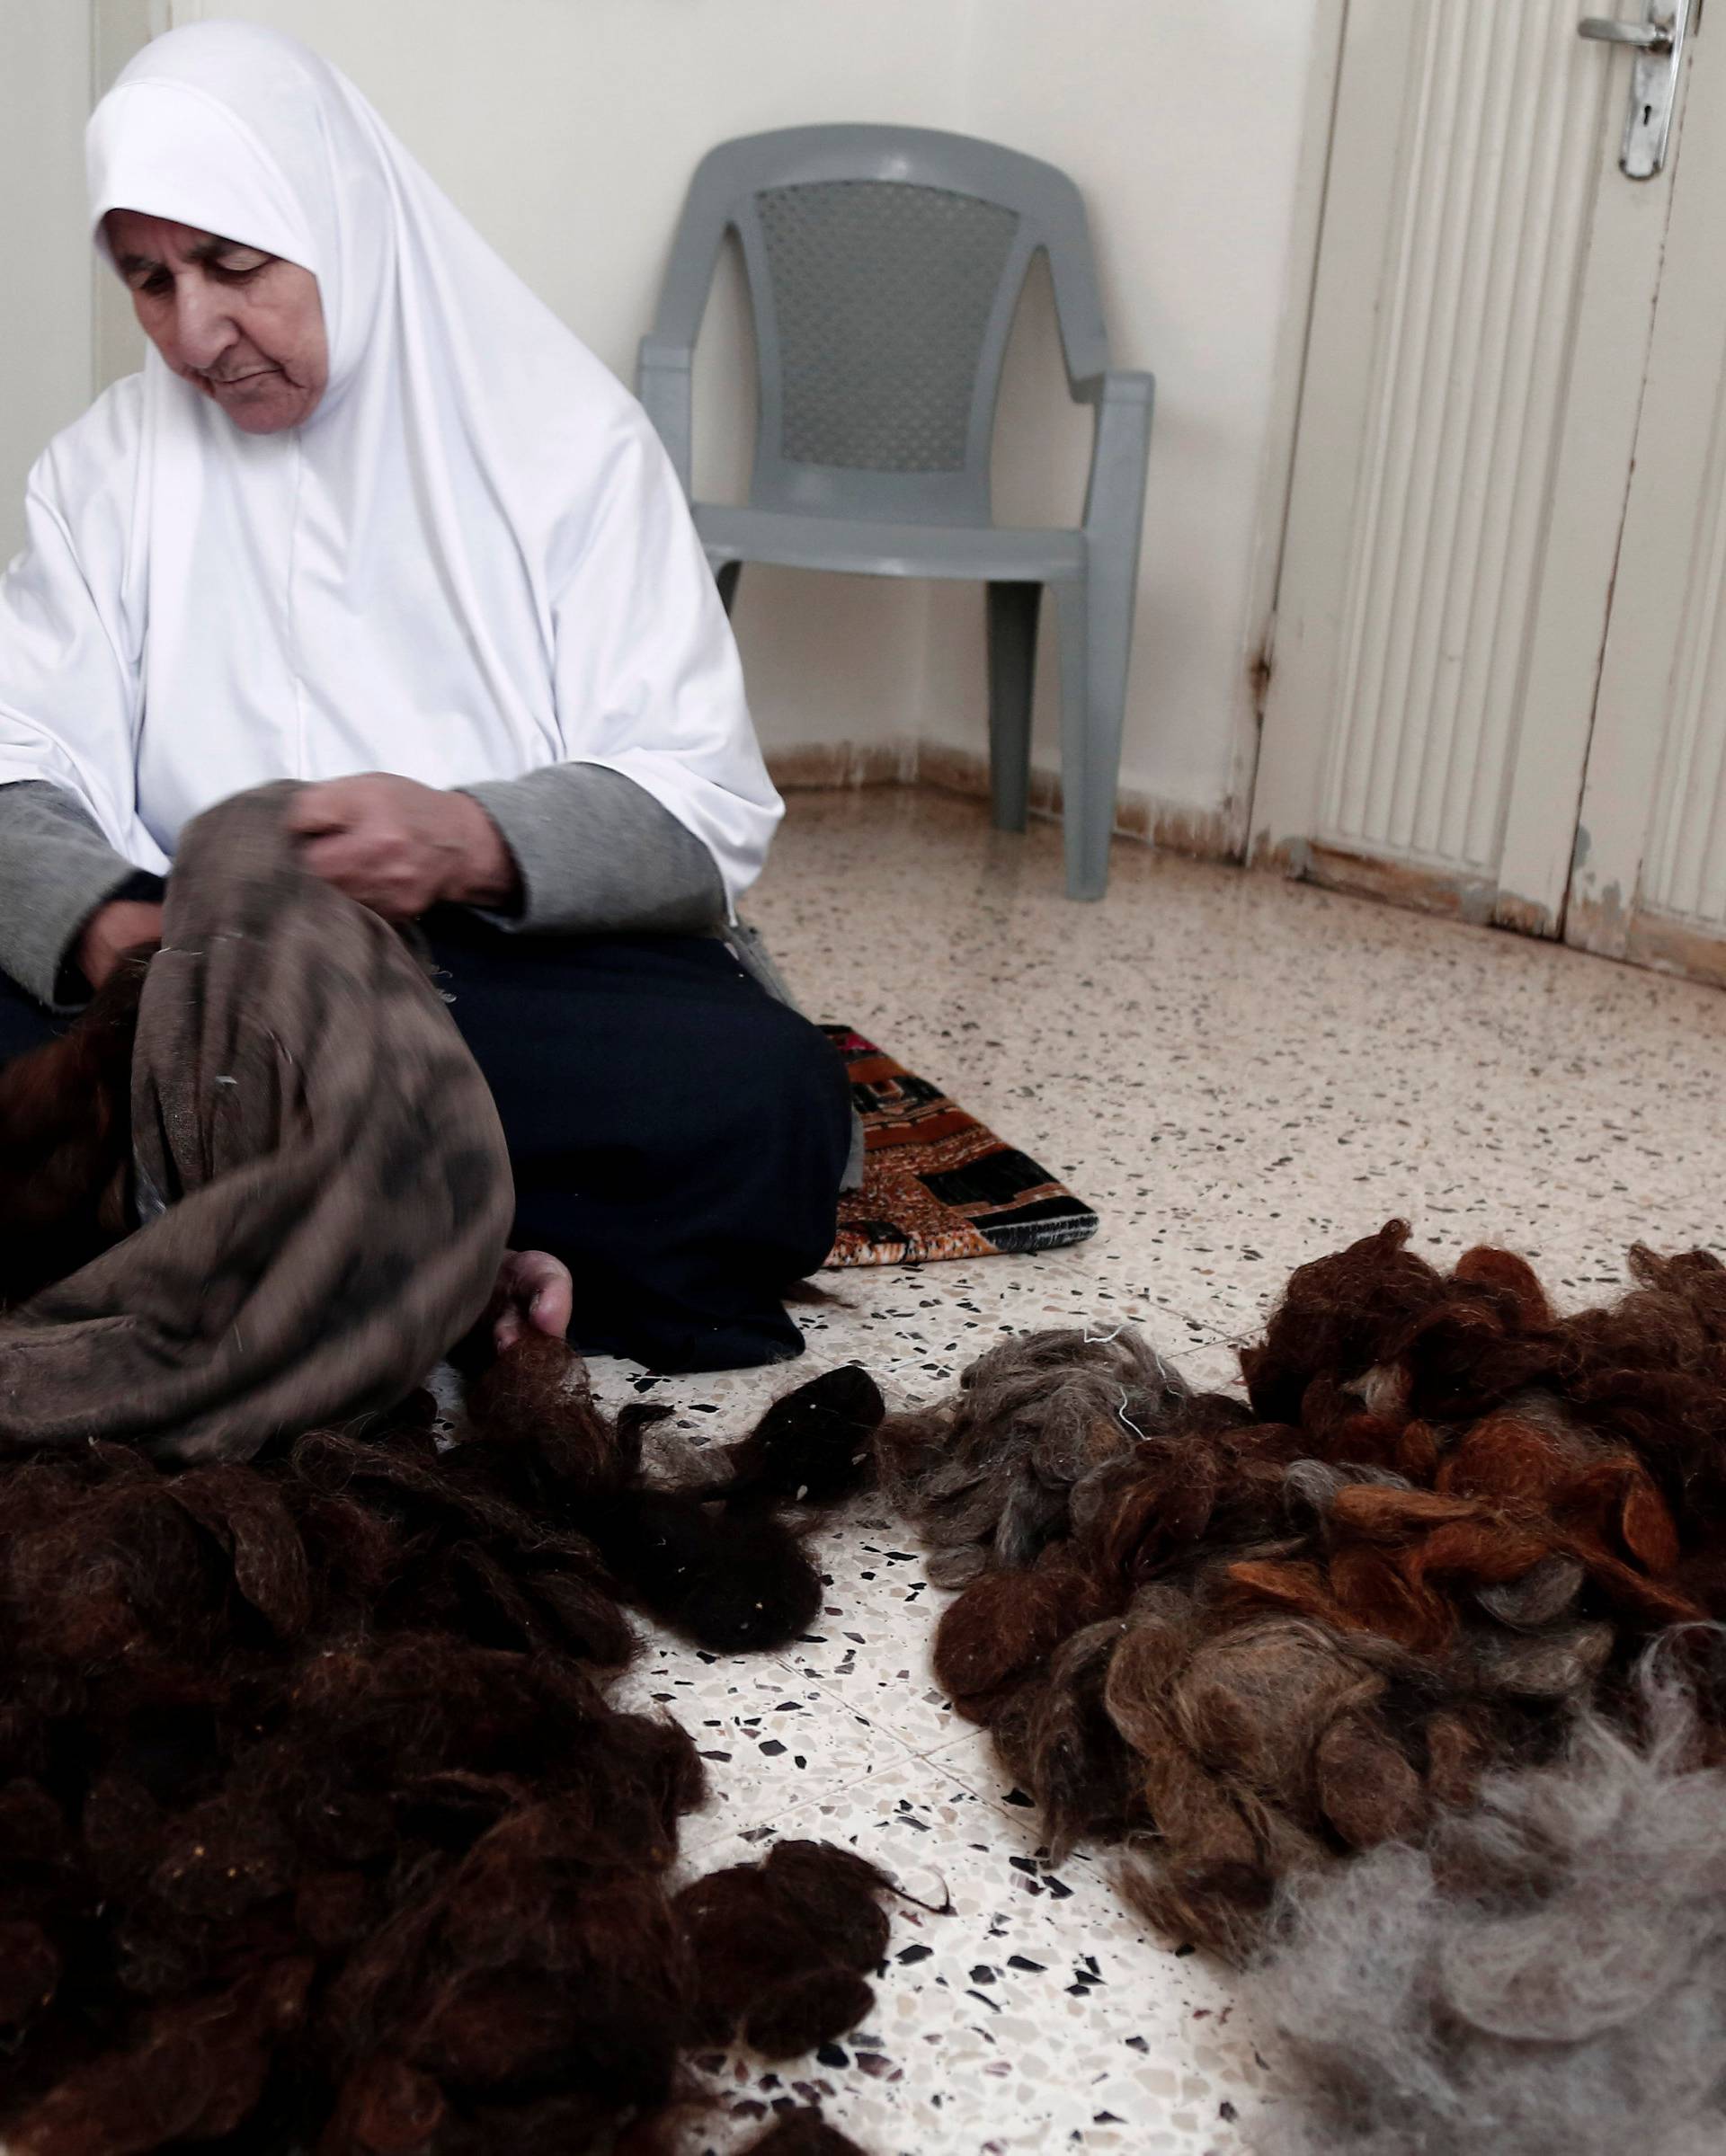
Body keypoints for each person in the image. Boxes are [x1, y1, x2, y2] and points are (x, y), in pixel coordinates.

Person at [0, 22, 852, 1373]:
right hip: (187, 1001)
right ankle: (448, 1238)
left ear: (343, 223)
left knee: (770, 1107)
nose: (197, 332)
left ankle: (279, 1231)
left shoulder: (565, 447)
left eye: (234, 264)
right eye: (151, 282)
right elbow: (13, 757)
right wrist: (117, 932)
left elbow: (693, 811)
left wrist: (464, 836)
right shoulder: (107, 470)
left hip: (478, 985)